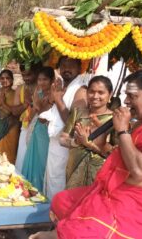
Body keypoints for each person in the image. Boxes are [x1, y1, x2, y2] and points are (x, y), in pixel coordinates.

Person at [31, 68, 142, 239]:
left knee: (79, 231)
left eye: (132, 96)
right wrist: (97, 140)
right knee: (61, 200)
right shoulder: (141, 124)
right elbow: (113, 154)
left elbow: (139, 170)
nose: (126, 102)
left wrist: (122, 131)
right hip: (119, 193)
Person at [40, 56, 87, 199]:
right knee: (52, 180)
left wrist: (58, 100)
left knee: (60, 183)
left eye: (71, 65)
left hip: (67, 146)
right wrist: (51, 100)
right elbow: (43, 109)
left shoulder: (81, 90)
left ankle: (58, 216)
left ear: (79, 68)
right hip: (54, 144)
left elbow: (73, 124)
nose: (67, 68)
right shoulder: (60, 85)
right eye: (64, 65)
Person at [59, 76, 114, 189]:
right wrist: (76, 142)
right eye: (92, 92)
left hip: (99, 170)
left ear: (110, 95)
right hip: (74, 166)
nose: (95, 96)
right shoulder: (78, 113)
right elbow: (62, 139)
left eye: (101, 92)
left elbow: (113, 152)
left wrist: (89, 143)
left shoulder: (114, 120)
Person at [22, 67, 55, 192]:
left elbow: (41, 112)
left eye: (45, 79)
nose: (41, 82)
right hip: (37, 128)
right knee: (33, 157)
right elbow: (36, 110)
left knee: (42, 160)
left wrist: (37, 104)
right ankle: (30, 187)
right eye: (40, 79)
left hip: (46, 130)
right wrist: (37, 104)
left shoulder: (53, 95)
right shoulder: (38, 91)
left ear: (52, 80)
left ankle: (39, 189)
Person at [13, 63, 38, 172]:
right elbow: (14, 112)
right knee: (22, 158)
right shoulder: (20, 89)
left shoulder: (42, 87)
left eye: (29, 75)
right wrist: (26, 104)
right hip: (25, 127)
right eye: (24, 75)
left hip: (39, 129)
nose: (26, 78)